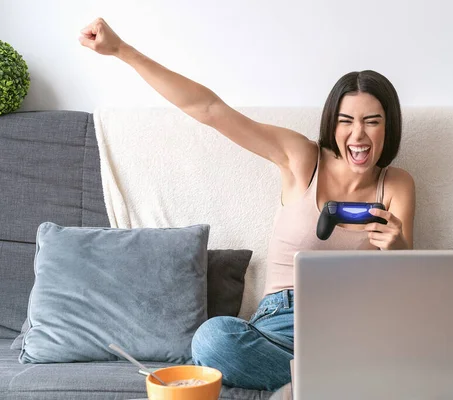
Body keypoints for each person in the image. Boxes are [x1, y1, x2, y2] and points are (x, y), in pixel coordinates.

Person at [80, 17, 415, 392]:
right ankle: (338, 383)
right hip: (280, 325)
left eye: (372, 121)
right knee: (213, 339)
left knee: (408, 348)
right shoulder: (302, 159)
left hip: (353, 325)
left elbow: (401, 287)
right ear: (332, 124)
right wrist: (122, 50)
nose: (358, 134)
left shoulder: (396, 183)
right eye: (346, 121)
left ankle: (319, 382)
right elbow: (210, 109)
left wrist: (398, 246)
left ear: (389, 127)